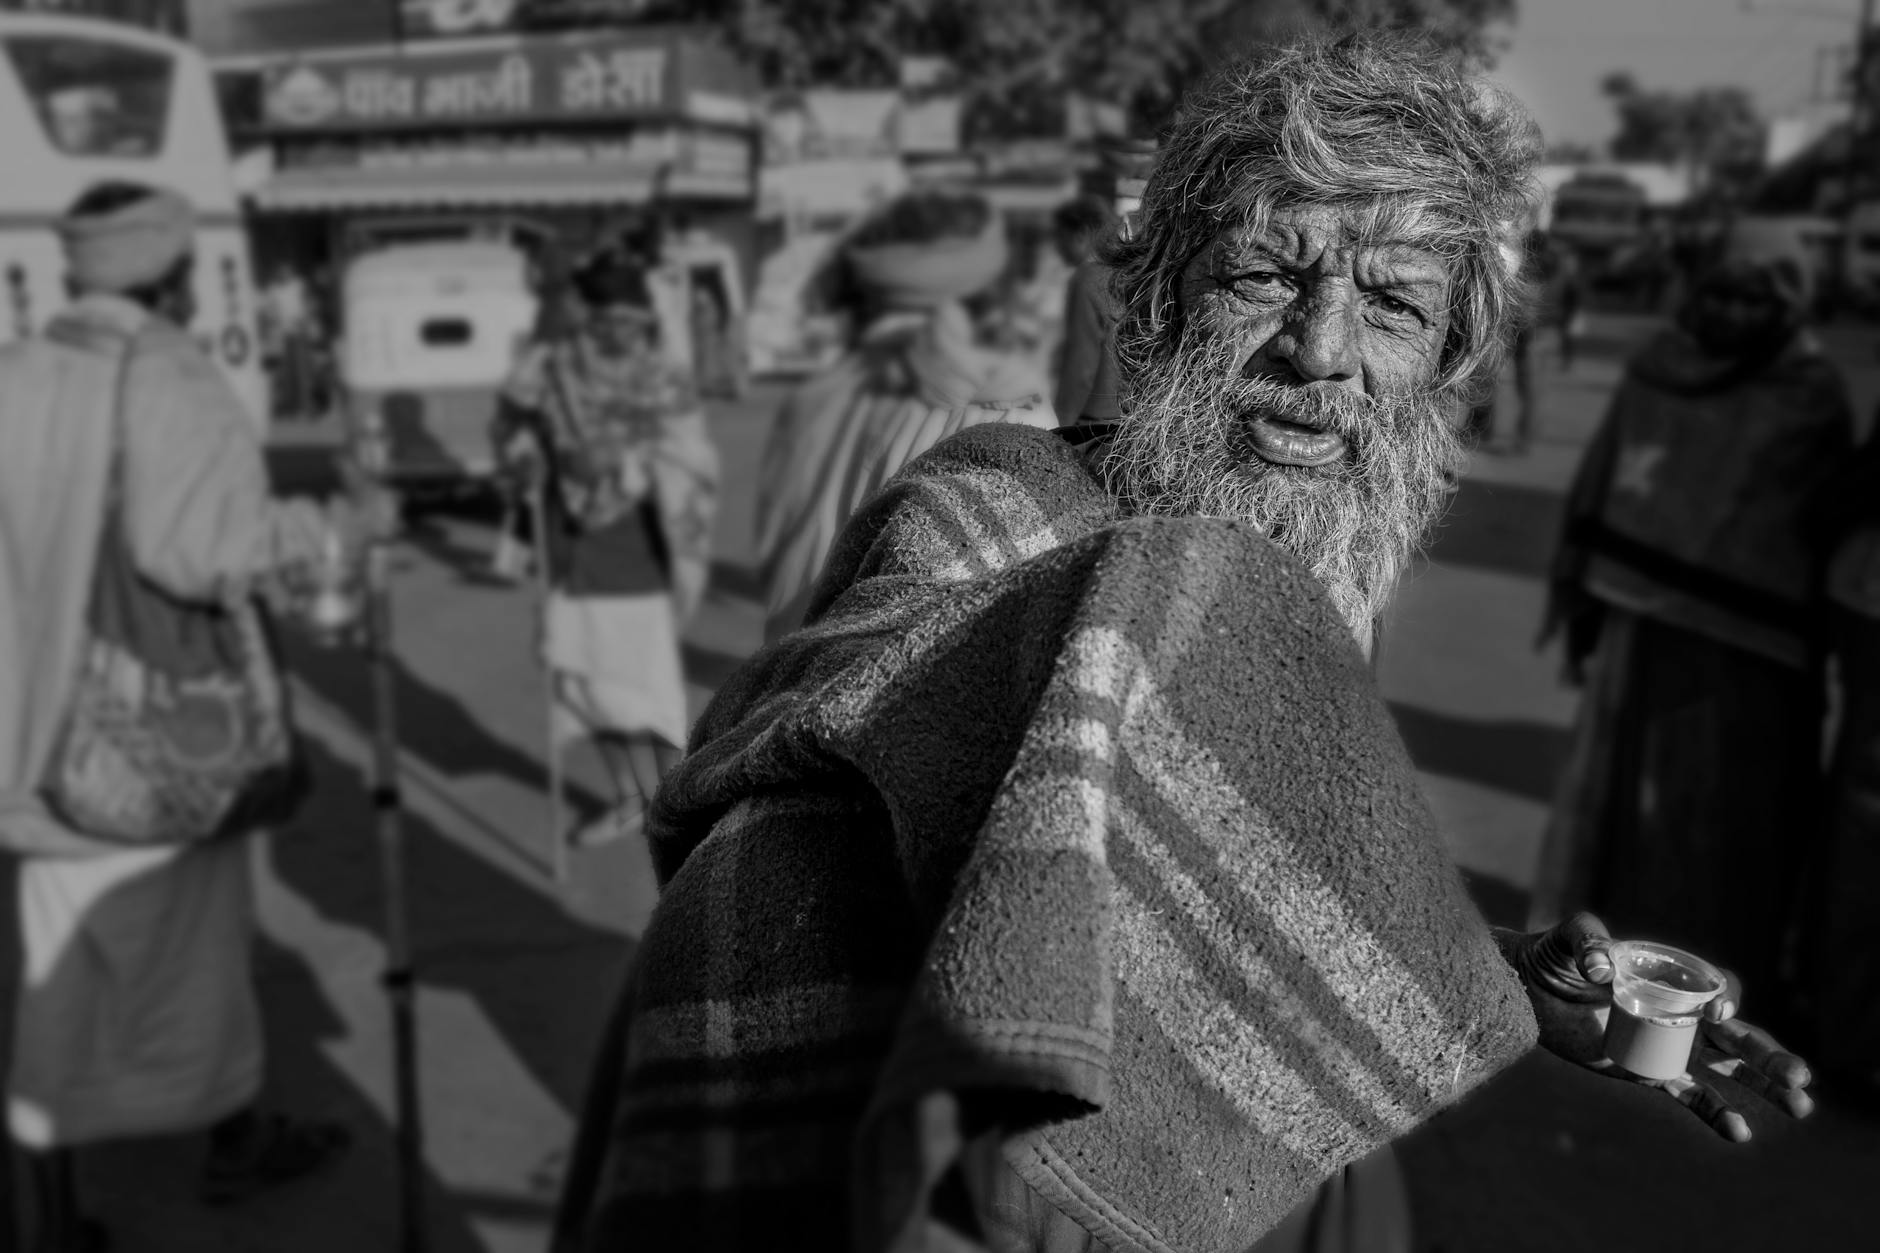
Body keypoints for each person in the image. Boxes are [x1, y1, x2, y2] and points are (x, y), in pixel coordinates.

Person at [555, 37, 1815, 1253]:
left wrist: (1497, 981)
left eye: (1388, 301)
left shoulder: (1315, 566)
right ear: (1159, 297)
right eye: (1264, 275)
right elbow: (786, 855)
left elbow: (1223, 876)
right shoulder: (995, 516)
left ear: (1442, 358)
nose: (1318, 352)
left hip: (1252, 1175)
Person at [0, 182, 370, 1249]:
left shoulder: (17, 368)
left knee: (57, 963)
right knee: (185, 955)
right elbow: (206, 547)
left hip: (26, 738)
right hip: (131, 748)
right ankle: (227, 1140)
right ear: (173, 276)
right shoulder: (165, 371)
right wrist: (342, 520)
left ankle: (53, 1202)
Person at [1533, 217, 1854, 1021]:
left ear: (1792, 301)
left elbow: (1823, 521)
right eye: (1726, 292)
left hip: (1754, 661)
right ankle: (1614, 955)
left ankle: (1726, 974)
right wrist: (1586, 612)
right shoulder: (1659, 371)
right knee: (1629, 804)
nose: (1739, 312)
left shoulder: (1809, 395)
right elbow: (1609, 484)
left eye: (1759, 296)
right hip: (1645, 641)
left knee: (1730, 817)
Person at [492, 249, 719, 850]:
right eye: (606, 319)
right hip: (568, 545)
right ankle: (627, 799)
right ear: (586, 317)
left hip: (638, 546)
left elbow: (694, 461)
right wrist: (526, 461)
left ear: (645, 319)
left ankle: (675, 809)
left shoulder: (664, 374)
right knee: (588, 683)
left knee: (648, 689)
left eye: (629, 320)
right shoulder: (547, 368)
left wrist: (624, 463)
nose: (618, 331)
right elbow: (509, 429)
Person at [754, 189, 1054, 642]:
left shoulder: (818, 388)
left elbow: (775, 537)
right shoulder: (1016, 415)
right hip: (894, 686)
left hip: (789, 666)